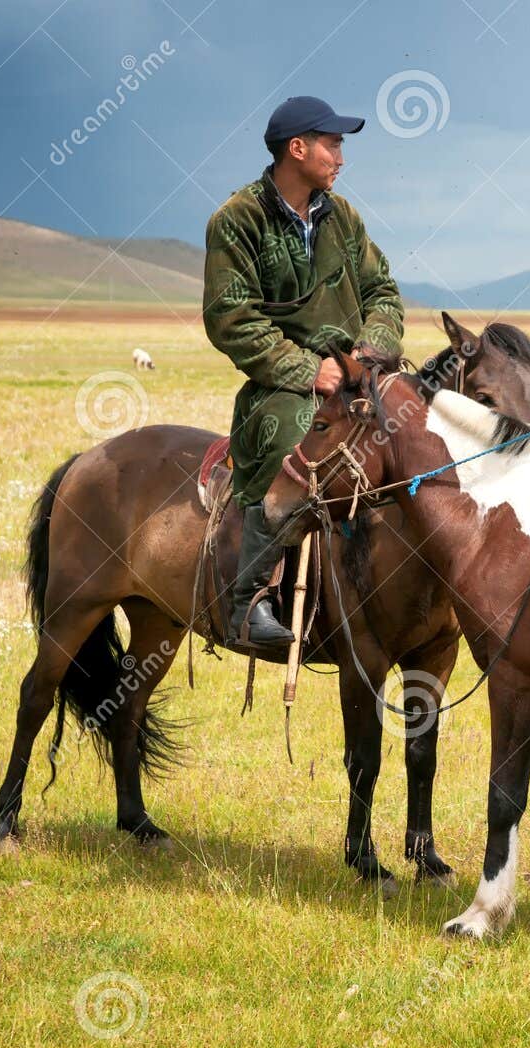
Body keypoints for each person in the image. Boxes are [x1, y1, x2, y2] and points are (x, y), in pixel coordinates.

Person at [202, 95, 404, 646]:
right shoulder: (237, 220)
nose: (341, 157)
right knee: (296, 437)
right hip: (282, 386)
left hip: (357, 374)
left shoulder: (344, 218)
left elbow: (382, 291)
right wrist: (307, 370)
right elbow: (230, 316)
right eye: (333, 143)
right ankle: (252, 599)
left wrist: (367, 353)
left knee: (413, 432)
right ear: (298, 148)